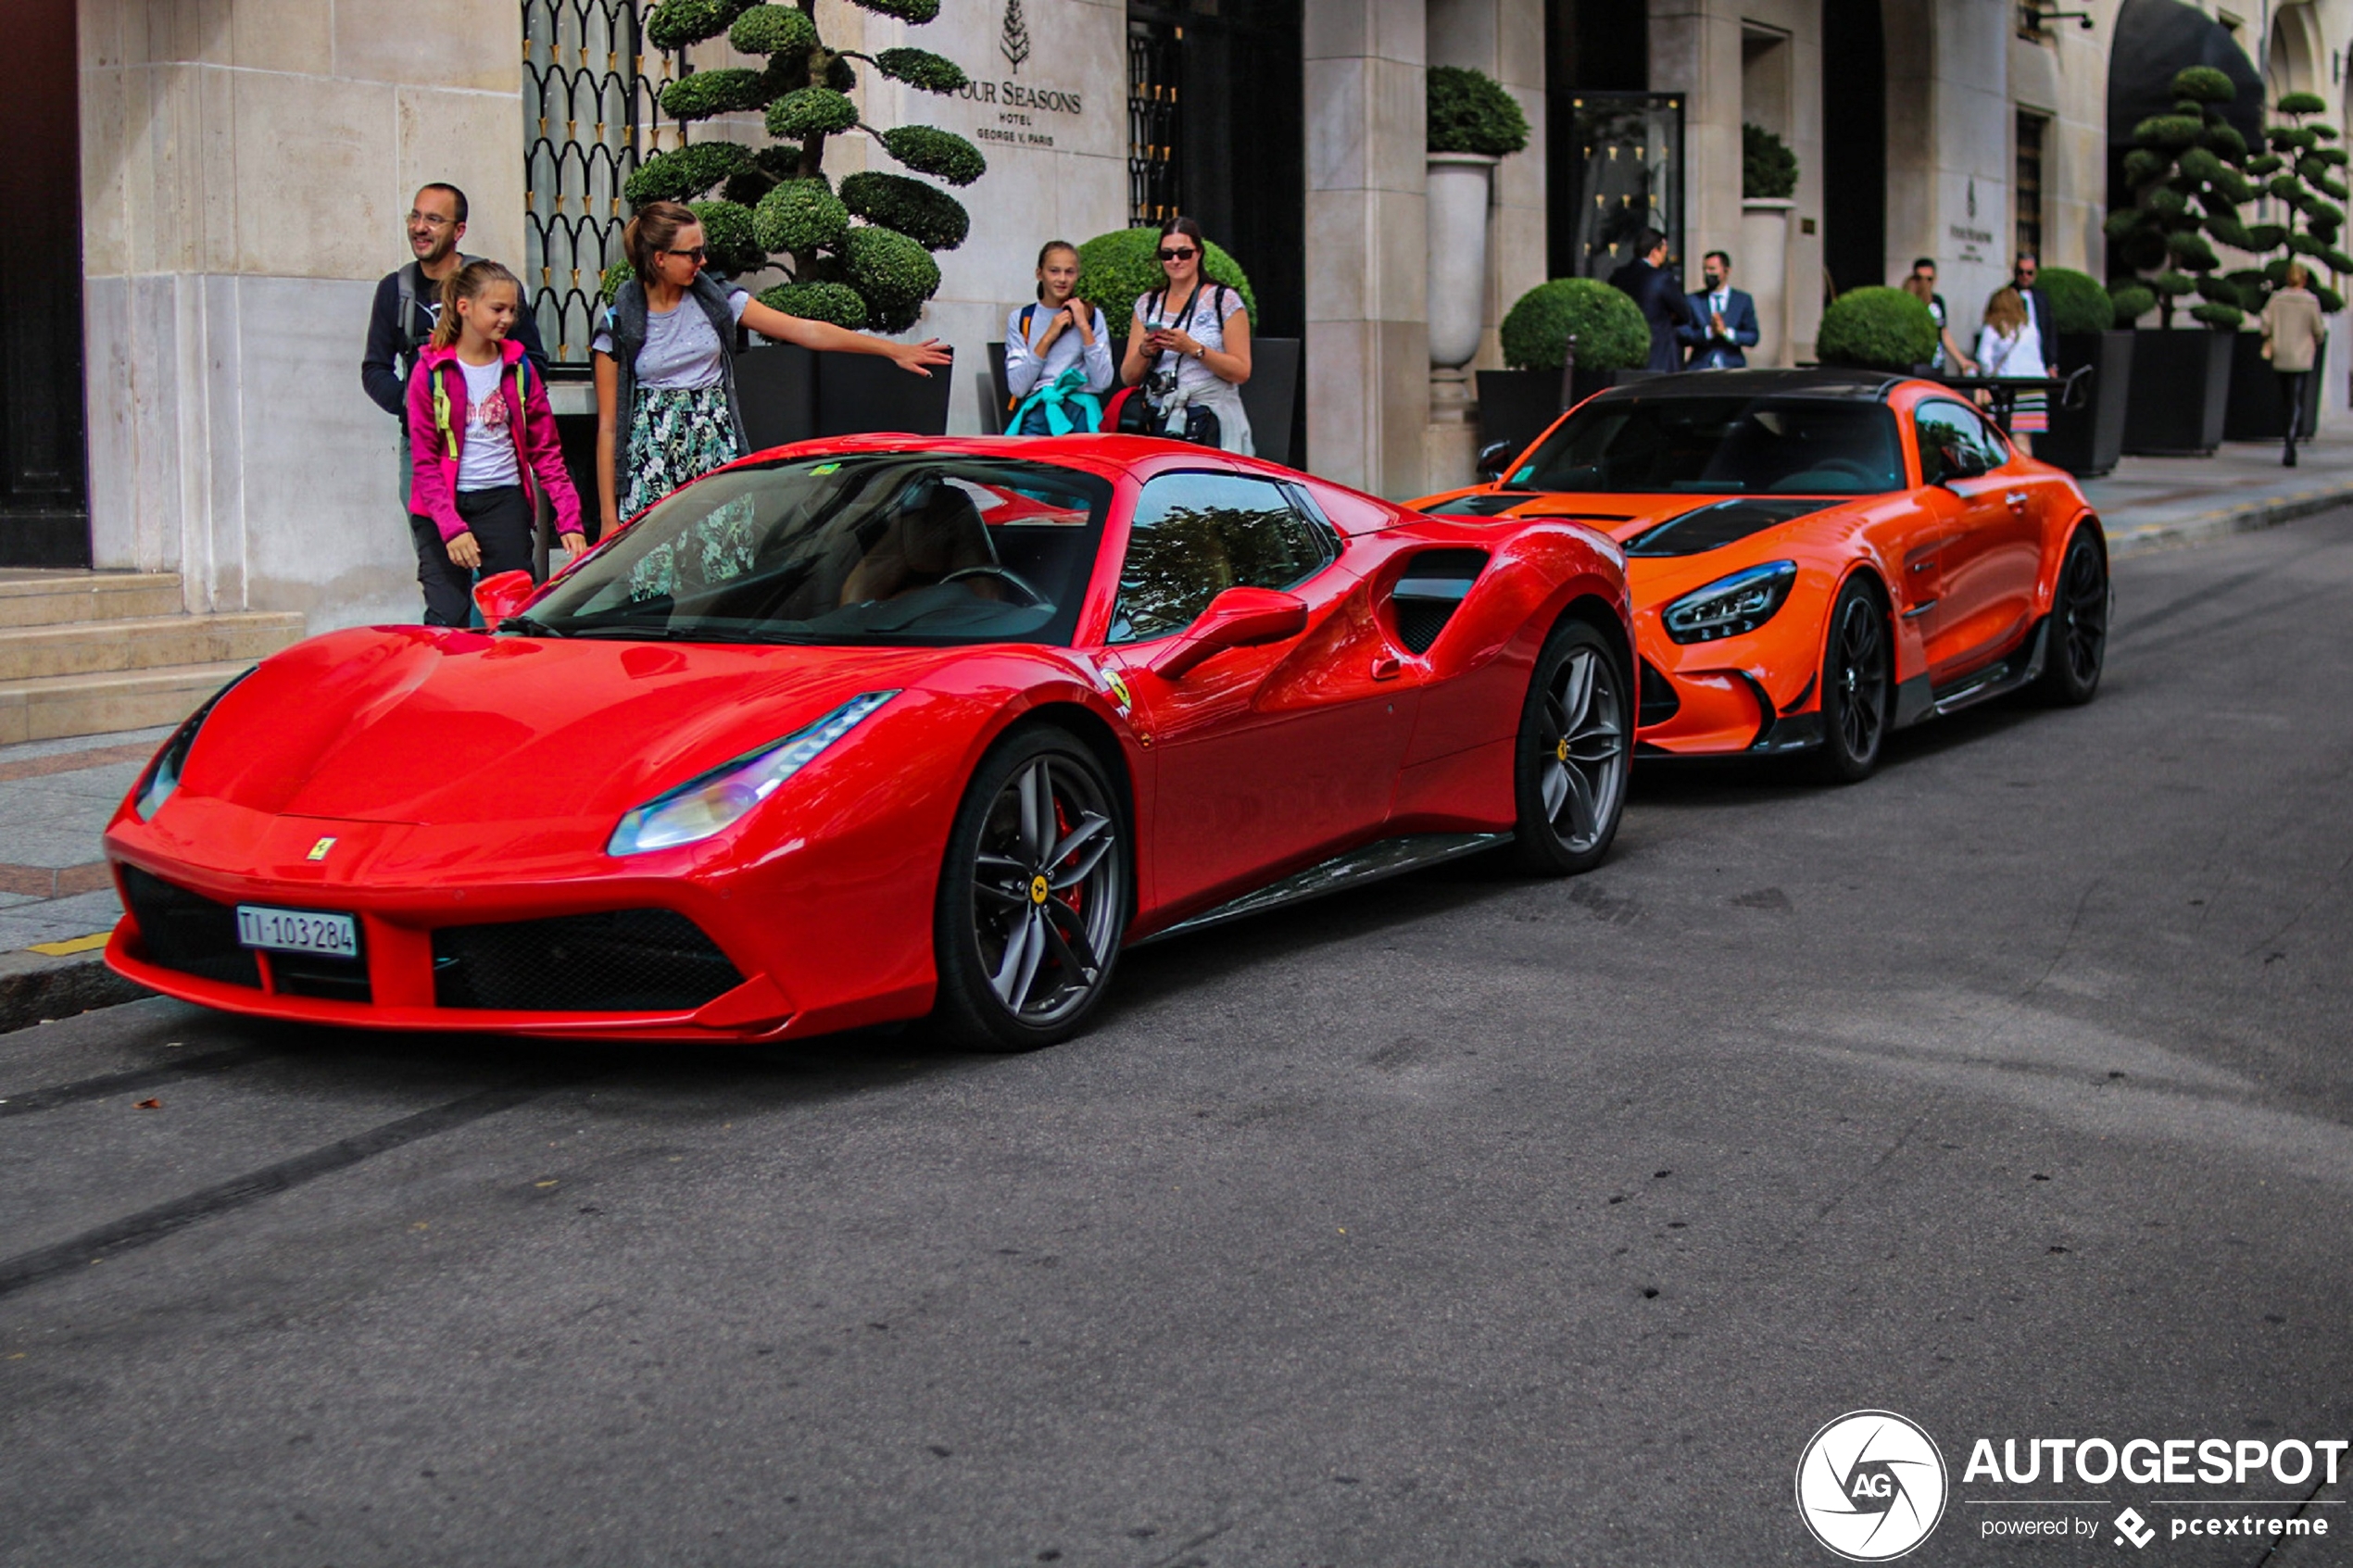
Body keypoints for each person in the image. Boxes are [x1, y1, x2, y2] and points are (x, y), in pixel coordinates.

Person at [593, 199, 951, 534]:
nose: (703, 261)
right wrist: (609, 519)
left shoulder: (719, 301)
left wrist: (891, 350)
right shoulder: (619, 325)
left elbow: (804, 330)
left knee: (720, 576)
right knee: (652, 585)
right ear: (659, 258)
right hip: (651, 463)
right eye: (693, 253)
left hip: (715, 452)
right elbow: (609, 427)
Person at [362, 183, 554, 599]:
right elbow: (374, 369)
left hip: (491, 445)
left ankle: (485, 648)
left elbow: (533, 361)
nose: (420, 227)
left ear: (459, 229)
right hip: (426, 447)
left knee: (503, 581)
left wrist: (493, 397)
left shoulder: (493, 287)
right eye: (415, 216)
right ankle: (459, 646)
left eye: (433, 219)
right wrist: (416, 408)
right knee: (441, 558)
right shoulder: (396, 289)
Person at [405, 261, 585, 626]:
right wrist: (452, 529)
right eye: (497, 309)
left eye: (512, 310)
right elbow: (424, 463)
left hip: (503, 502)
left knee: (511, 619)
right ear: (464, 306)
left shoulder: (520, 369)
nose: (506, 319)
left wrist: (570, 520)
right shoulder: (430, 370)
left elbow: (547, 453)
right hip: (442, 508)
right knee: (446, 620)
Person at [1118, 216, 1253, 453]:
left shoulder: (1223, 300)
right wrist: (1145, 351)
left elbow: (1241, 371)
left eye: (1184, 253)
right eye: (1167, 254)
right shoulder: (1147, 304)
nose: (1175, 261)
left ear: (1199, 253)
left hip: (1210, 419)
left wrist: (1194, 349)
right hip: (1158, 418)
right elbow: (1129, 376)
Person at [1003, 240, 1115, 434]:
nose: (1062, 279)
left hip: (1081, 411)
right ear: (1040, 273)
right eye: (1054, 271)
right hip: (1039, 411)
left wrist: (1084, 327)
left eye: (1069, 272)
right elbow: (1018, 387)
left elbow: (1103, 381)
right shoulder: (1022, 319)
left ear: (1077, 275)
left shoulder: (1093, 316)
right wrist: (1048, 337)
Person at [2261, 261, 2327, 467]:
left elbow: (2265, 326)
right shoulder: (2311, 302)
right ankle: (2291, 443)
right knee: (2297, 400)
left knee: (2285, 400)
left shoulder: (2276, 300)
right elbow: (2319, 330)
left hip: (2281, 355)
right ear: (2305, 279)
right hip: (2301, 356)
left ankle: (2287, 438)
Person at [1606, 227, 1694, 373]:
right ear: (1655, 251)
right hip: (1658, 355)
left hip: (1626, 353)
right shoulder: (1662, 278)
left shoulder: (1618, 276)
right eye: (1664, 251)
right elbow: (1685, 313)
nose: (1666, 255)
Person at [1975, 286, 2047, 450]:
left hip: (2007, 389)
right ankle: (2027, 473)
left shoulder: (1993, 328)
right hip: (2035, 387)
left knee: (1998, 440)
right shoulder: (2029, 327)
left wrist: (1988, 377)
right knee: (2023, 439)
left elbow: (1983, 358)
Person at [1679, 250, 1760, 369]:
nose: (1707, 274)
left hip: (1732, 367)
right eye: (1705, 269)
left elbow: (1752, 336)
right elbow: (1684, 334)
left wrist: (1727, 333)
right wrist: (1708, 332)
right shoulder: (1693, 300)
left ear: (1726, 271)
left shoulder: (1742, 300)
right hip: (1700, 366)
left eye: (1712, 269)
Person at [1903, 258, 1976, 374]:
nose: (1925, 283)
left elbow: (1943, 332)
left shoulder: (1938, 301)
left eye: (1929, 279)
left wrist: (1962, 361)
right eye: (1920, 278)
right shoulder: (1908, 302)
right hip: (1917, 365)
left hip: (1937, 364)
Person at [2008, 251, 2057, 375]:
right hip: (2015, 364)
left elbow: (2050, 331)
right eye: (2021, 272)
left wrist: (2051, 364)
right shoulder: (2006, 297)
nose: (2025, 276)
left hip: (2037, 362)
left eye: (2029, 273)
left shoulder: (2041, 298)